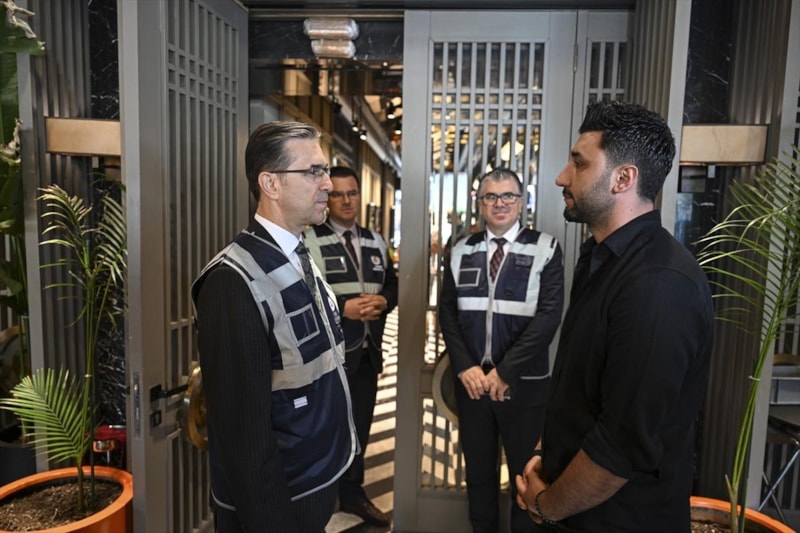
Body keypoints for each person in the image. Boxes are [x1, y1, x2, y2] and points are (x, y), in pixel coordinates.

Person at [515, 101, 714, 532]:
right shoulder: (601, 259)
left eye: (579, 163)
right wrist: (543, 454)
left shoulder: (659, 284)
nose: (562, 177)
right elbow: (578, 389)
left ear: (623, 178)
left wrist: (545, 506)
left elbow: (621, 446)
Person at [191, 122, 357, 533]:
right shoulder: (232, 281)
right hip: (279, 503)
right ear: (271, 184)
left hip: (313, 480)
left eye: (325, 170)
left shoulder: (297, 254)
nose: (328, 185)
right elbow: (242, 435)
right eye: (314, 171)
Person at [438, 168, 565, 533]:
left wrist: (505, 372)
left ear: (521, 202)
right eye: (491, 196)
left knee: (527, 477)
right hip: (474, 386)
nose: (500, 203)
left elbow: (548, 317)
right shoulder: (460, 249)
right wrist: (465, 367)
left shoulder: (545, 248)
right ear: (480, 203)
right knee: (479, 475)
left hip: (525, 385)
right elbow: (448, 313)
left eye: (508, 195)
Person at [303, 166, 398, 526]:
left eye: (352, 193)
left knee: (359, 427)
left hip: (367, 353)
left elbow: (393, 284)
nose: (346, 200)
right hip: (328, 357)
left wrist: (384, 301)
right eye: (337, 194)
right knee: (324, 429)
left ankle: (353, 494)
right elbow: (302, 293)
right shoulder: (309, 240)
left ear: (360, 196)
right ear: (327, 198)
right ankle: (320, 498)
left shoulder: (376, 241)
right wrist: (343, 308)